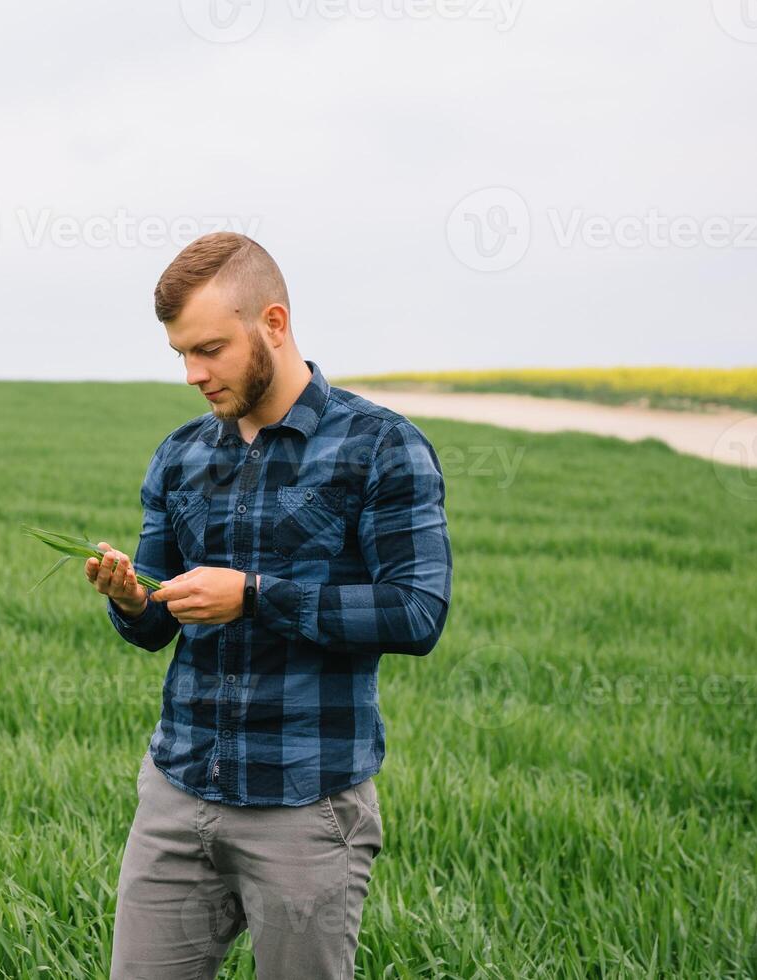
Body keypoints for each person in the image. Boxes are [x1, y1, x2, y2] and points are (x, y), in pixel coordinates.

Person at [87, 232, 453, 979]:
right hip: (176, 795)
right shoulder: (180, 454)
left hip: (305, 809)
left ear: (275, 325)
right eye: (181, 354)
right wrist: (132, 598)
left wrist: (254, 596)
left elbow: (417, 613)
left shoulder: (380, 447)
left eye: (210, 349)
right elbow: (159, 623)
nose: (193, 374)